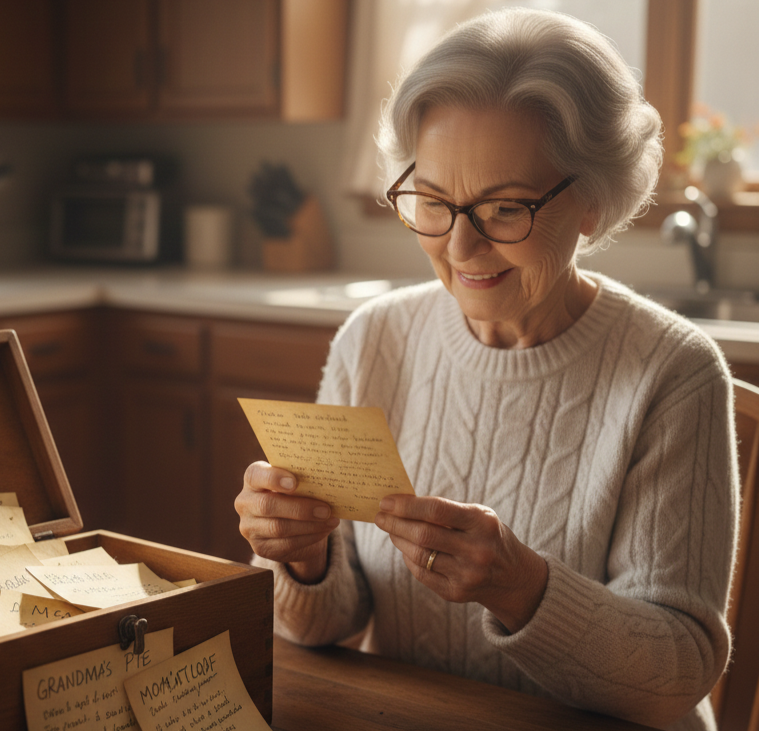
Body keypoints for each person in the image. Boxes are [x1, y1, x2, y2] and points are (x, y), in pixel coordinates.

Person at [234, 8, 739, 731]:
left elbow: (677, 674)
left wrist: (523, 589)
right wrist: (305, 560)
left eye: (506, 209)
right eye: (434, 203)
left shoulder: (674, 373)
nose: (463, 248)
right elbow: (323, 625)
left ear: (593, 199)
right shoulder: (373, 340)